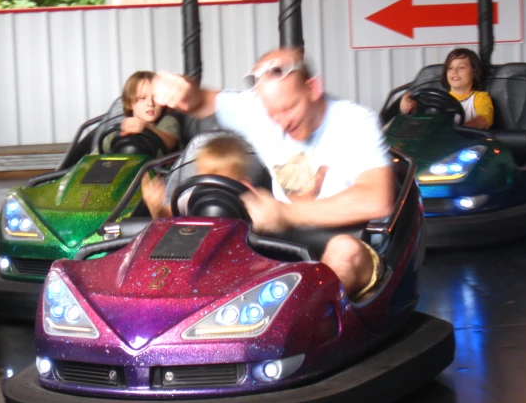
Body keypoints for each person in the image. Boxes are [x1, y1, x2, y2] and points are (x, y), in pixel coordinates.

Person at [152, 48, 394, 299]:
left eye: (289, 108)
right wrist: (182, 91)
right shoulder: (256, 111)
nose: (281, 121)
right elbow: (200, 100)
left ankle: (308, 320)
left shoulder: (355, 121)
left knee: (344, 250)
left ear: (313, 88)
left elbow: (377, 199)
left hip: (350, 239)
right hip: (283, 243)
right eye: (272, 111)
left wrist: (287, 213)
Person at [141, 135, 251, 219]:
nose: (213, 185)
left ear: (243, 180)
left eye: (222, 179)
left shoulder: (250, 201)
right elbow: (167, 219)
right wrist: (156, 208)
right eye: (206, 177)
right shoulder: (191, 198)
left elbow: (262, 230)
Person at [399, 48, 494, 130]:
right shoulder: (438, 100)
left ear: (474, 72)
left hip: (468, 144)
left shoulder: (480, 98)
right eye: (450, 68)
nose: (454, 71)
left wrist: (461, 129)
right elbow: (418, 118)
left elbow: (484, 119)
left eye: (461, 67)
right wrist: (407, 107)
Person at [98, 70, 181, 155]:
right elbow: (92, 159)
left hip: (157, 167)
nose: (150, 103)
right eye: (142, 98)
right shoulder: (116, 131)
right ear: (129, 103)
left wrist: (145, 127)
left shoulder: (167, 121)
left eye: (155, 97)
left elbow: (170, 143)